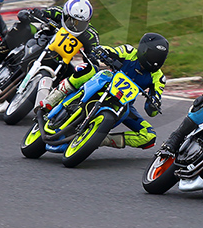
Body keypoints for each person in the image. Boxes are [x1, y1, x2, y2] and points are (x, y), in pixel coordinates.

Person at [40, 32, 170, 151]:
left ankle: (100, 139)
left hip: (125, 104)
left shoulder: (159, 78)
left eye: (159, 58)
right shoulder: (129, 52)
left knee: (149, 136)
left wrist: (154, 103)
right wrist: (102, 51)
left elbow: (152, 108)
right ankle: (55, 97)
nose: (155, 61)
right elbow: (112, 51)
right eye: (153, 55)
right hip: (105, 84)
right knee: (89, 69)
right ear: (143, 50)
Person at [0, 0, 100, 83]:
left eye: (80, 24)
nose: (74, 25)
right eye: (71, 20)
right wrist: (29, 14)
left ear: (88, 22)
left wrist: (93, 57)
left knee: (76, 77)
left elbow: (94, 55)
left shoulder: (90, 35)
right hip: (42, 39)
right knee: (22, 28)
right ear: (65, 14)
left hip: (62, 60)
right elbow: (38, 13)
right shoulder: (57, 12)